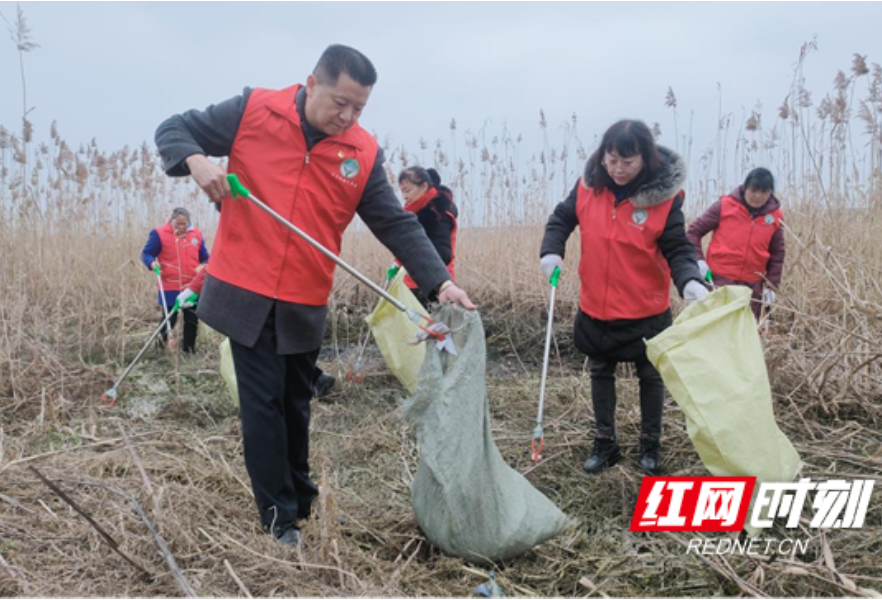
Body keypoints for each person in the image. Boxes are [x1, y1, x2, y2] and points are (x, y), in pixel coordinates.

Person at [155, 44, 475, 547]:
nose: (346, 117)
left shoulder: (362, 152)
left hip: (305, 293)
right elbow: (173, 128)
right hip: (245, 286)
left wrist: (441, 283)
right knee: (262, 403)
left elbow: (394, 221)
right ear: (312, 83)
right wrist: (197, 160)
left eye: (359, 108)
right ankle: (279, 518)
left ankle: (302, 498)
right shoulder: (253, 109)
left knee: (295, 403)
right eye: (339, 103)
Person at [539, 119, 708, 476]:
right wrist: (552, 251)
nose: (617, 169)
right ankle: (605, 443)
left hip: (645, 307)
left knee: (651, 375)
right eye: (611, 159)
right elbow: (560, 219)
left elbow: (678, 247)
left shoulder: (664, 201)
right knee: (600, 371)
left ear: (645, 159)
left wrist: (689, 280)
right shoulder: (587, 189)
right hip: (596, 304)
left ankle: (650, 446)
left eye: (627, 162)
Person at [687, 167, 785, 321]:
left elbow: (777, 254)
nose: (758, 196)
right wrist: (698, 260)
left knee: (745, 334)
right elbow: (693, 232)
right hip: (720, 282)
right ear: (745, 187)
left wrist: (771, 287)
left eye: (764, 192)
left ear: (770, 193)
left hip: (752, 288)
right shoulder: (724, 206)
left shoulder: (775, 217)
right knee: (716, 329)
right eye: (753, 190)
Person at [141, 207, 209, 353]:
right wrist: (152, 263)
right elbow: (147, 253)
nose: (181, 227)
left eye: (184, 224)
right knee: (169, 318)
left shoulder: (196, 235)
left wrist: (204, 265)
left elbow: (205, 257)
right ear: (171, 220)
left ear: (189, 223)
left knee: (191, 318)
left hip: (192, 285)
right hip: (169, 285)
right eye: (177, 223)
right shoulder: (159, 234)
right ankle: (159, 348)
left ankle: (189, 350)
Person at [396, 166, 458, 308]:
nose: (405, 196)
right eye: (402, 192)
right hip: (410, 284)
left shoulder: (437, 215)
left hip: (433, 285)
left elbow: (443, 255)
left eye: (408, 190)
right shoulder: (413, 215)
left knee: (428, 328)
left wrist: (411, 260)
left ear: (424, 186)